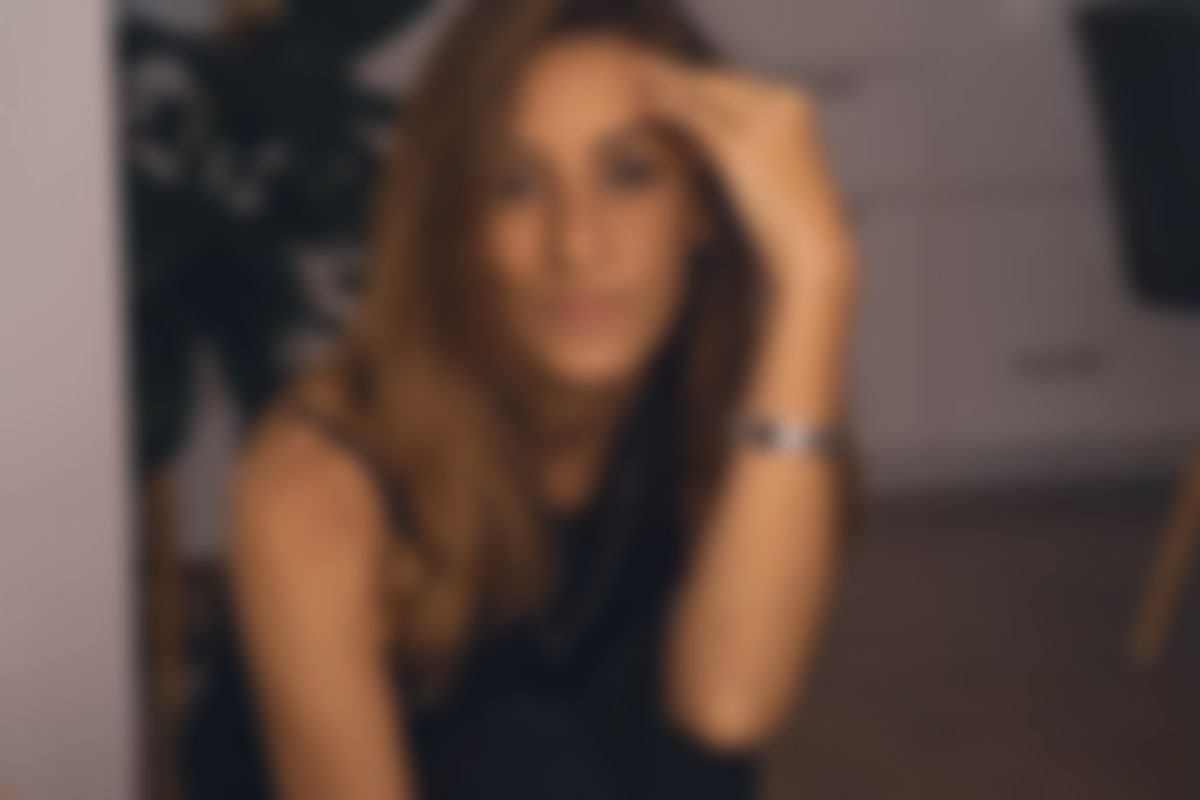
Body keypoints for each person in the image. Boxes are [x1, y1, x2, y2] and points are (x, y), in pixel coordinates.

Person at [180, 0, 861, 797]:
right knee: (520, 751)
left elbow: (729, 711)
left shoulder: (718, 412)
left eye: (629, 173)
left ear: (702, 204)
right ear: (457, 224)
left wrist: (818, 274)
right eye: (514, 183)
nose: (577, 242)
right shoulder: (317, 484)